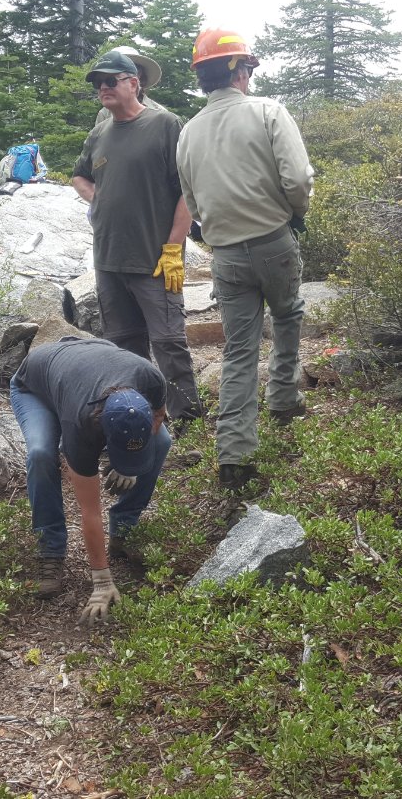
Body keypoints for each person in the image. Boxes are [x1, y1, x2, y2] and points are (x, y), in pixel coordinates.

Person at [175, 28, 314, 493]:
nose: (250, 75)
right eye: (248, 67)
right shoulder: (268, 112)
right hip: (273, 241)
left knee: (238, 349)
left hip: (226, 254)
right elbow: (298, 180)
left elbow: (193, 203)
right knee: (288, 315)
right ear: (238, 71)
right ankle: (284, 399)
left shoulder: (189, 132)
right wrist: (294, 211)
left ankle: (234, 453)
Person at [71, 49, 203, 422]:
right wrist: (99, 197)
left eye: (110, 81)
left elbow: (186, 190)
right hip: (109, 261)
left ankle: (188, 420)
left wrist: (173, 249)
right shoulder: (99, 133)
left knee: (168, 342)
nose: (103, 88)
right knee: (123, 346)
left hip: (154, 260)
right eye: (98, 83)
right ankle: (138, 418)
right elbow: (79, 175)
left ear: (134, 83)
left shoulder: (165, 125)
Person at [9, 337, 172, 623]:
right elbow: (89, 510)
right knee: (41, 454)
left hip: (84, 366)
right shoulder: (79, 424)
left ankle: (124, 531)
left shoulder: (151, 378)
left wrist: (129, 463)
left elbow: (158, 416)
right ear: (102, 428)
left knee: (161, 443)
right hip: (35, 387)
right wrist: (101, 580)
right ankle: (50, 550)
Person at [93, 45, 167, 128]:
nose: (104, 87)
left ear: (139, 74)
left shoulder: (160, 113)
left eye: (112, 80)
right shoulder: (104, 114)